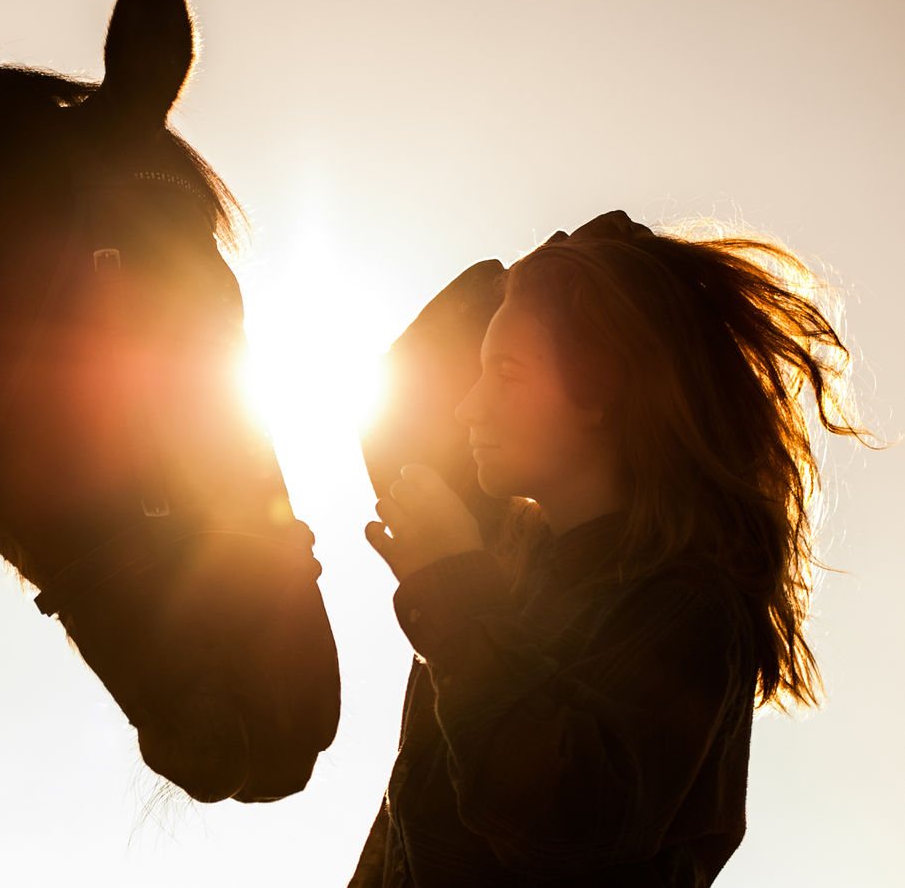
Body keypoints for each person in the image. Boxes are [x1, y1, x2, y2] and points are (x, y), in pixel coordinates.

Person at [350, 210, 873, 887]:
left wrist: (458, 600)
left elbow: (562, 819)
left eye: (505, 373)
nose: (469, 408)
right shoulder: (505, 556)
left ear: (603, 387)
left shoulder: (688, 608)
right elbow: (405, 406)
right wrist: (537, 279)